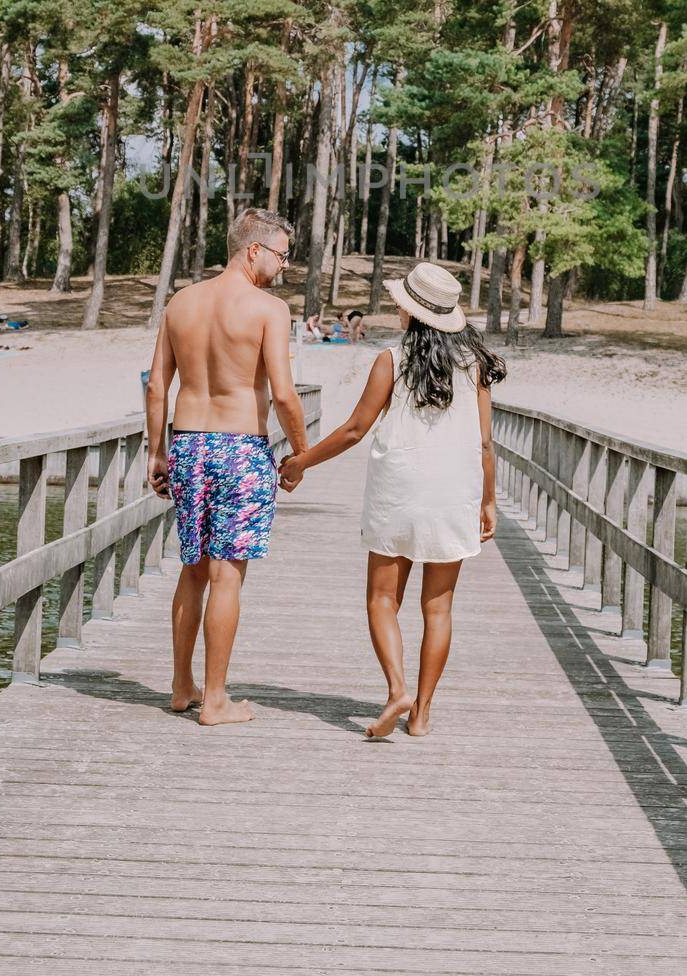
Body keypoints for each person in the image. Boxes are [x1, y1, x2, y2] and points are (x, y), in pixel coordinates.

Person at [280, 261, 504, 739]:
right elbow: (485, 443)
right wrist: (489, 501)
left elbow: (356, 429)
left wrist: (301, 462)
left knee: (383, 598)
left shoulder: (391, 359)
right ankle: (421, 714)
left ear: (410, 312)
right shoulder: (476, 366)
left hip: (398, 490)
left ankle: (397, 688)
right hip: (454, 494)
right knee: (438, 609)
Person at [146, 207, 309, 726]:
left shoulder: (181, 302)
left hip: (188, 444)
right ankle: (214, 700)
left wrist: (156, 452)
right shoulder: (268, 310)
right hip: (240, 447)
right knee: (227, 576)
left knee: (193, 571)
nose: (284, 266)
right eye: (282, 255)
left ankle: (181, 685)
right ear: (254, 249)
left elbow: (156, 386)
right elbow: (283, 394)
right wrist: (301, 454)